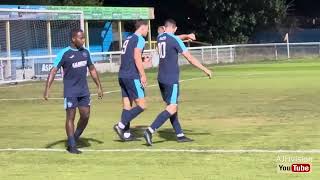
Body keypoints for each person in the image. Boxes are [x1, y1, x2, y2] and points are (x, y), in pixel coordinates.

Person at [144, 19, 212, 146]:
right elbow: (190, 58)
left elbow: (173, 37)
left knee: (172, 106)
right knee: (172, 107)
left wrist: (186, 36)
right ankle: (150, 130)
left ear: (165, 28)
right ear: (174, 28)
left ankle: (180, 135)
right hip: (171, 79)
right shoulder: (175, 40)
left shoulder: (160, 38)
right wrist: (205, 69)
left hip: (161, 79)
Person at [43, 29, 103, 154]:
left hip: (84, 91)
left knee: (85, 116)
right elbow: (53, 70)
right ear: (73, 39)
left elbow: (92, 69)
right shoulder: (64, 53)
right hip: (70, 91)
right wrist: (47, 89)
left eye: (83, 38)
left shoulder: (86, 53)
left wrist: (99, 86)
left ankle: (74, 138)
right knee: (70, 117)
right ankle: (72, 145)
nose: (83, 40)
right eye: (81, 38)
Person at [113, 20, 149, 141]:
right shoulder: (140, 39)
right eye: (147, 28)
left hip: (122, 75)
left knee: (127, 106)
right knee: (142, 105)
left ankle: (126, 134)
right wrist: (143, 75)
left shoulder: (128, 38)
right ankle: (121, 125)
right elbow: (136, 56)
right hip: (131, 76)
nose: (148, 31)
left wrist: (142, 58)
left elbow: (130, 55)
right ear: (142, 28)